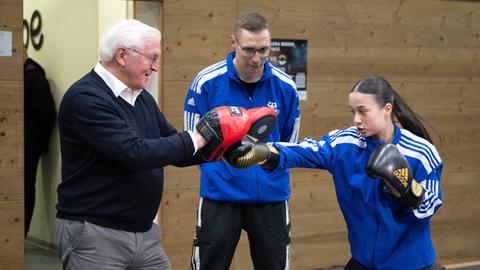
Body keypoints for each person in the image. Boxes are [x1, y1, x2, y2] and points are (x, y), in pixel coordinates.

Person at [55, 19, 261, 270]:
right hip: (95, 233)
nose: (155, 67)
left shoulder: (141, 98)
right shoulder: (85, 98)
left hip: (143, 233)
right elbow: (135, 152)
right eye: (151, 58)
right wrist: (202, 134)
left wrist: (225, 148)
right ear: (122, 55)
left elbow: (175, 149)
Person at [226, 75, 444, 270]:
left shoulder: (421, 152)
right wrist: (266, 152)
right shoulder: (345, 143)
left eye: (363, 111)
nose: (356, 119)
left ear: (387, 109)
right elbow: (307, 150)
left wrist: (407, 188)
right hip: (364, 261)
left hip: (412, 264)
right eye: (353, 112)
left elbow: (431, 205)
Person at [184, 12, 301, 270]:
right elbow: (194, 146)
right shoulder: (206, 83)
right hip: (220, 196)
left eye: (263, 50)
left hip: (271, 196)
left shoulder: (286, 87)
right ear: (233, 42)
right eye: (249, 49)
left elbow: (289, 143)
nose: (257, 58)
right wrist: (224, 171)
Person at [24, 51, 56, 238]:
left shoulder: (33, 77)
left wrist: (36, 144)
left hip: (28, 146)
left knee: (25, 189)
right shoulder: (24, 75)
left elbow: (47, 113)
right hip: (20, 146)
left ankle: (20, 236)